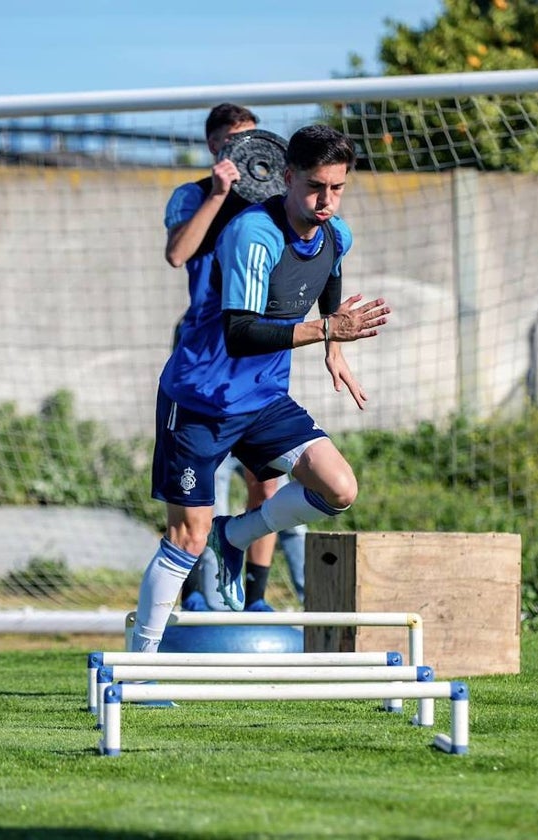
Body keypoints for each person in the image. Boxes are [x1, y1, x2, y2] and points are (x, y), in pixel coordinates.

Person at [131, 124, 390, 652]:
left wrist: (333, 348)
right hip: (200, 398)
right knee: (186, 538)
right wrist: (327, 330)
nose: (326, 200)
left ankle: (235, 537)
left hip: (264, 398)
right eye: (316, 186)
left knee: (338, 487)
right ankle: (137, 665)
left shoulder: (338, 232)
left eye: (337, 188)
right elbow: (242, 332)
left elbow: (330, 278)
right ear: (288, 178)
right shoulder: (254, 233)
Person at [163, 102, 305, 614]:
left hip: (259, 354)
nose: (242, 150)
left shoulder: (275, 203)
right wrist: (221, 193)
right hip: (205, 356)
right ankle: (194, 595)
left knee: (267, 481)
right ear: (213, 146)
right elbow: (178, 254)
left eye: (251, 139)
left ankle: (257, 598)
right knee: (198, 493)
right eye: (230, 142)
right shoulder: (194, 195)